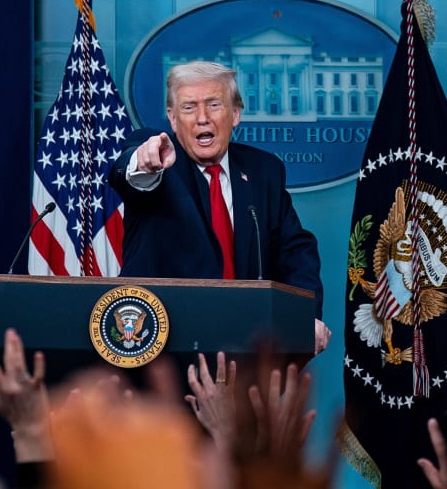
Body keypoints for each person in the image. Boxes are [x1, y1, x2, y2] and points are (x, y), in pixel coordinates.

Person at [110, 61, 325, 325]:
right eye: (189, 107)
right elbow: (131, 170)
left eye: (213, 104)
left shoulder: (263, 171)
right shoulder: (161, 160)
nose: (202, 118)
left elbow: (295, 251)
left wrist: (304, 317)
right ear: (173, 119)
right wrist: (143, 161)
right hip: (164, 336)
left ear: (235, 114)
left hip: (245, 336)